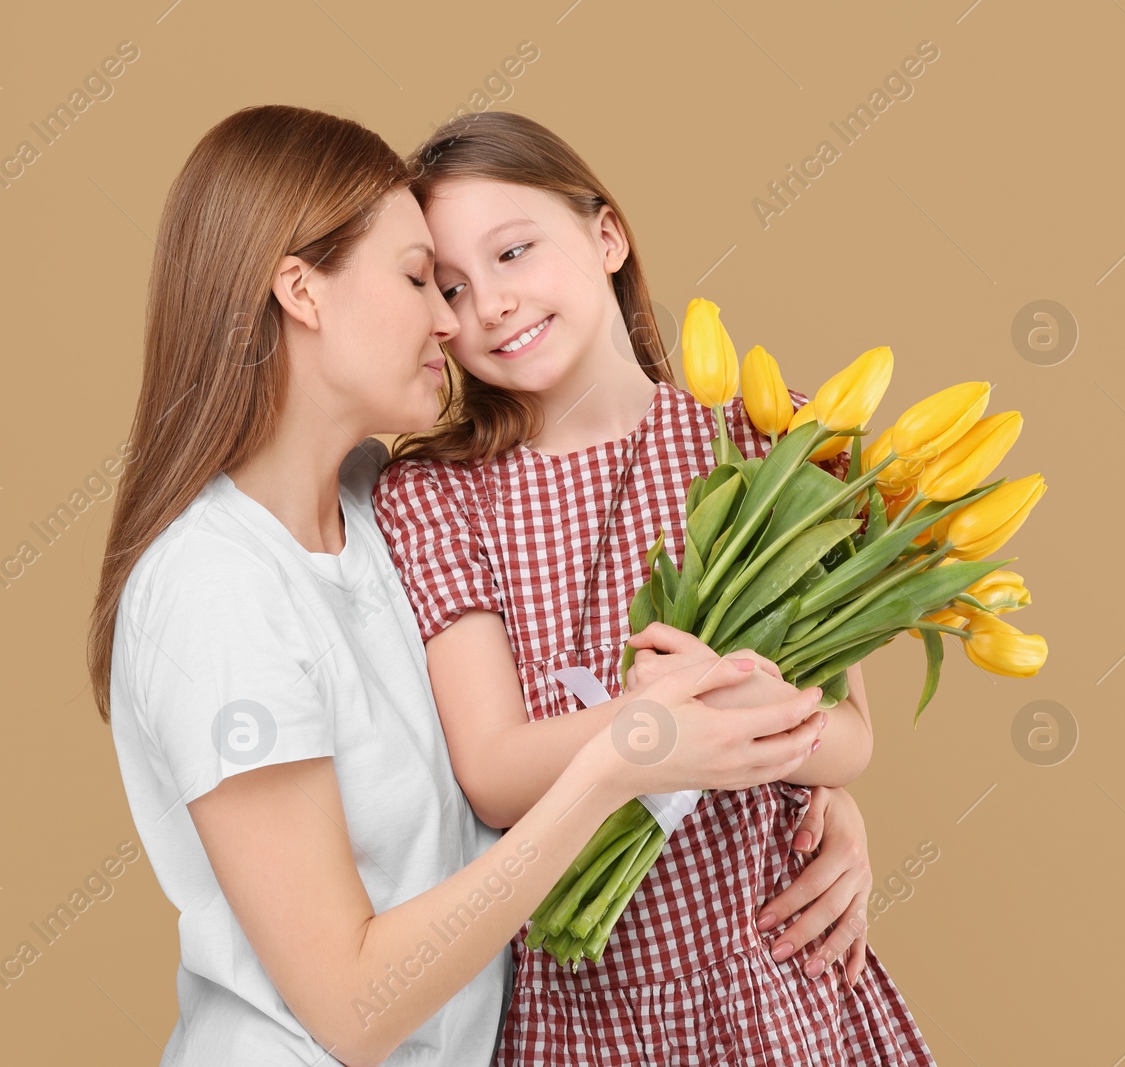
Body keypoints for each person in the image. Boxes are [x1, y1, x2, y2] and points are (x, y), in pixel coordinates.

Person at [85, 104, 834, 1066]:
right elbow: (354, 1009)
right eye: (419, 279)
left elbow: (505, 730)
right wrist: (622, 763)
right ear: (301, 293)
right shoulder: (214, 590)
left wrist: (797, 794)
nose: (457, 316)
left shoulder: (375, 507)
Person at [372, 111, 937, 1064]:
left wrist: (782, 716)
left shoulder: (767, 438)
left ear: (606, 234)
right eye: (453, 288)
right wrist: (666, 724)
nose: (493, 305)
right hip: (574, 1007)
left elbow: (848, 738)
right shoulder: (437, 496)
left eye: (516, 252)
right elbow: (496, 769)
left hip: (772, 978)